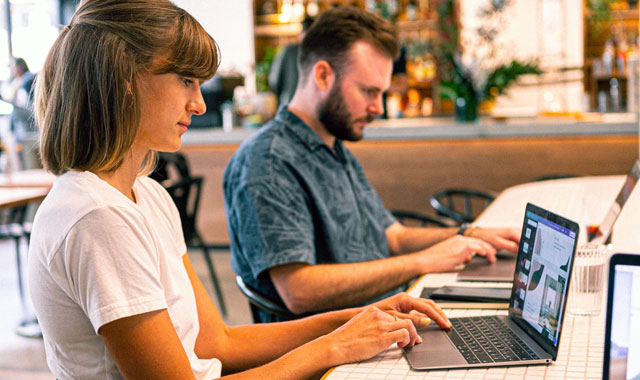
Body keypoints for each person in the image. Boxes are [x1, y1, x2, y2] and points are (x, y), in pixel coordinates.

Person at [27, 1, 451, 379]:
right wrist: (334, 346)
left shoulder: (146, 195)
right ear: (125, 77)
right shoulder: (96, 217)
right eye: (186, 80)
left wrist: (363, 316)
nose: (200, 103)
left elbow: (219, 345)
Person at [223, 6, 521, 322]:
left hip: (385, 318)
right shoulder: (268, 162)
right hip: (332, 348)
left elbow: (392, 236)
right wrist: (421, 262)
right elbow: (299, 291)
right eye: (368, 91)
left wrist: (468, 235)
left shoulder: (334, 147)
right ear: (323, 75)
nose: (378, 107)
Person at [268, 16, 314, 107]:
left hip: (289, 106)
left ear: (300, 34)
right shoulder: (321, 52)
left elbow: (274, 80)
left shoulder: (288, 51)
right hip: (312, 110)